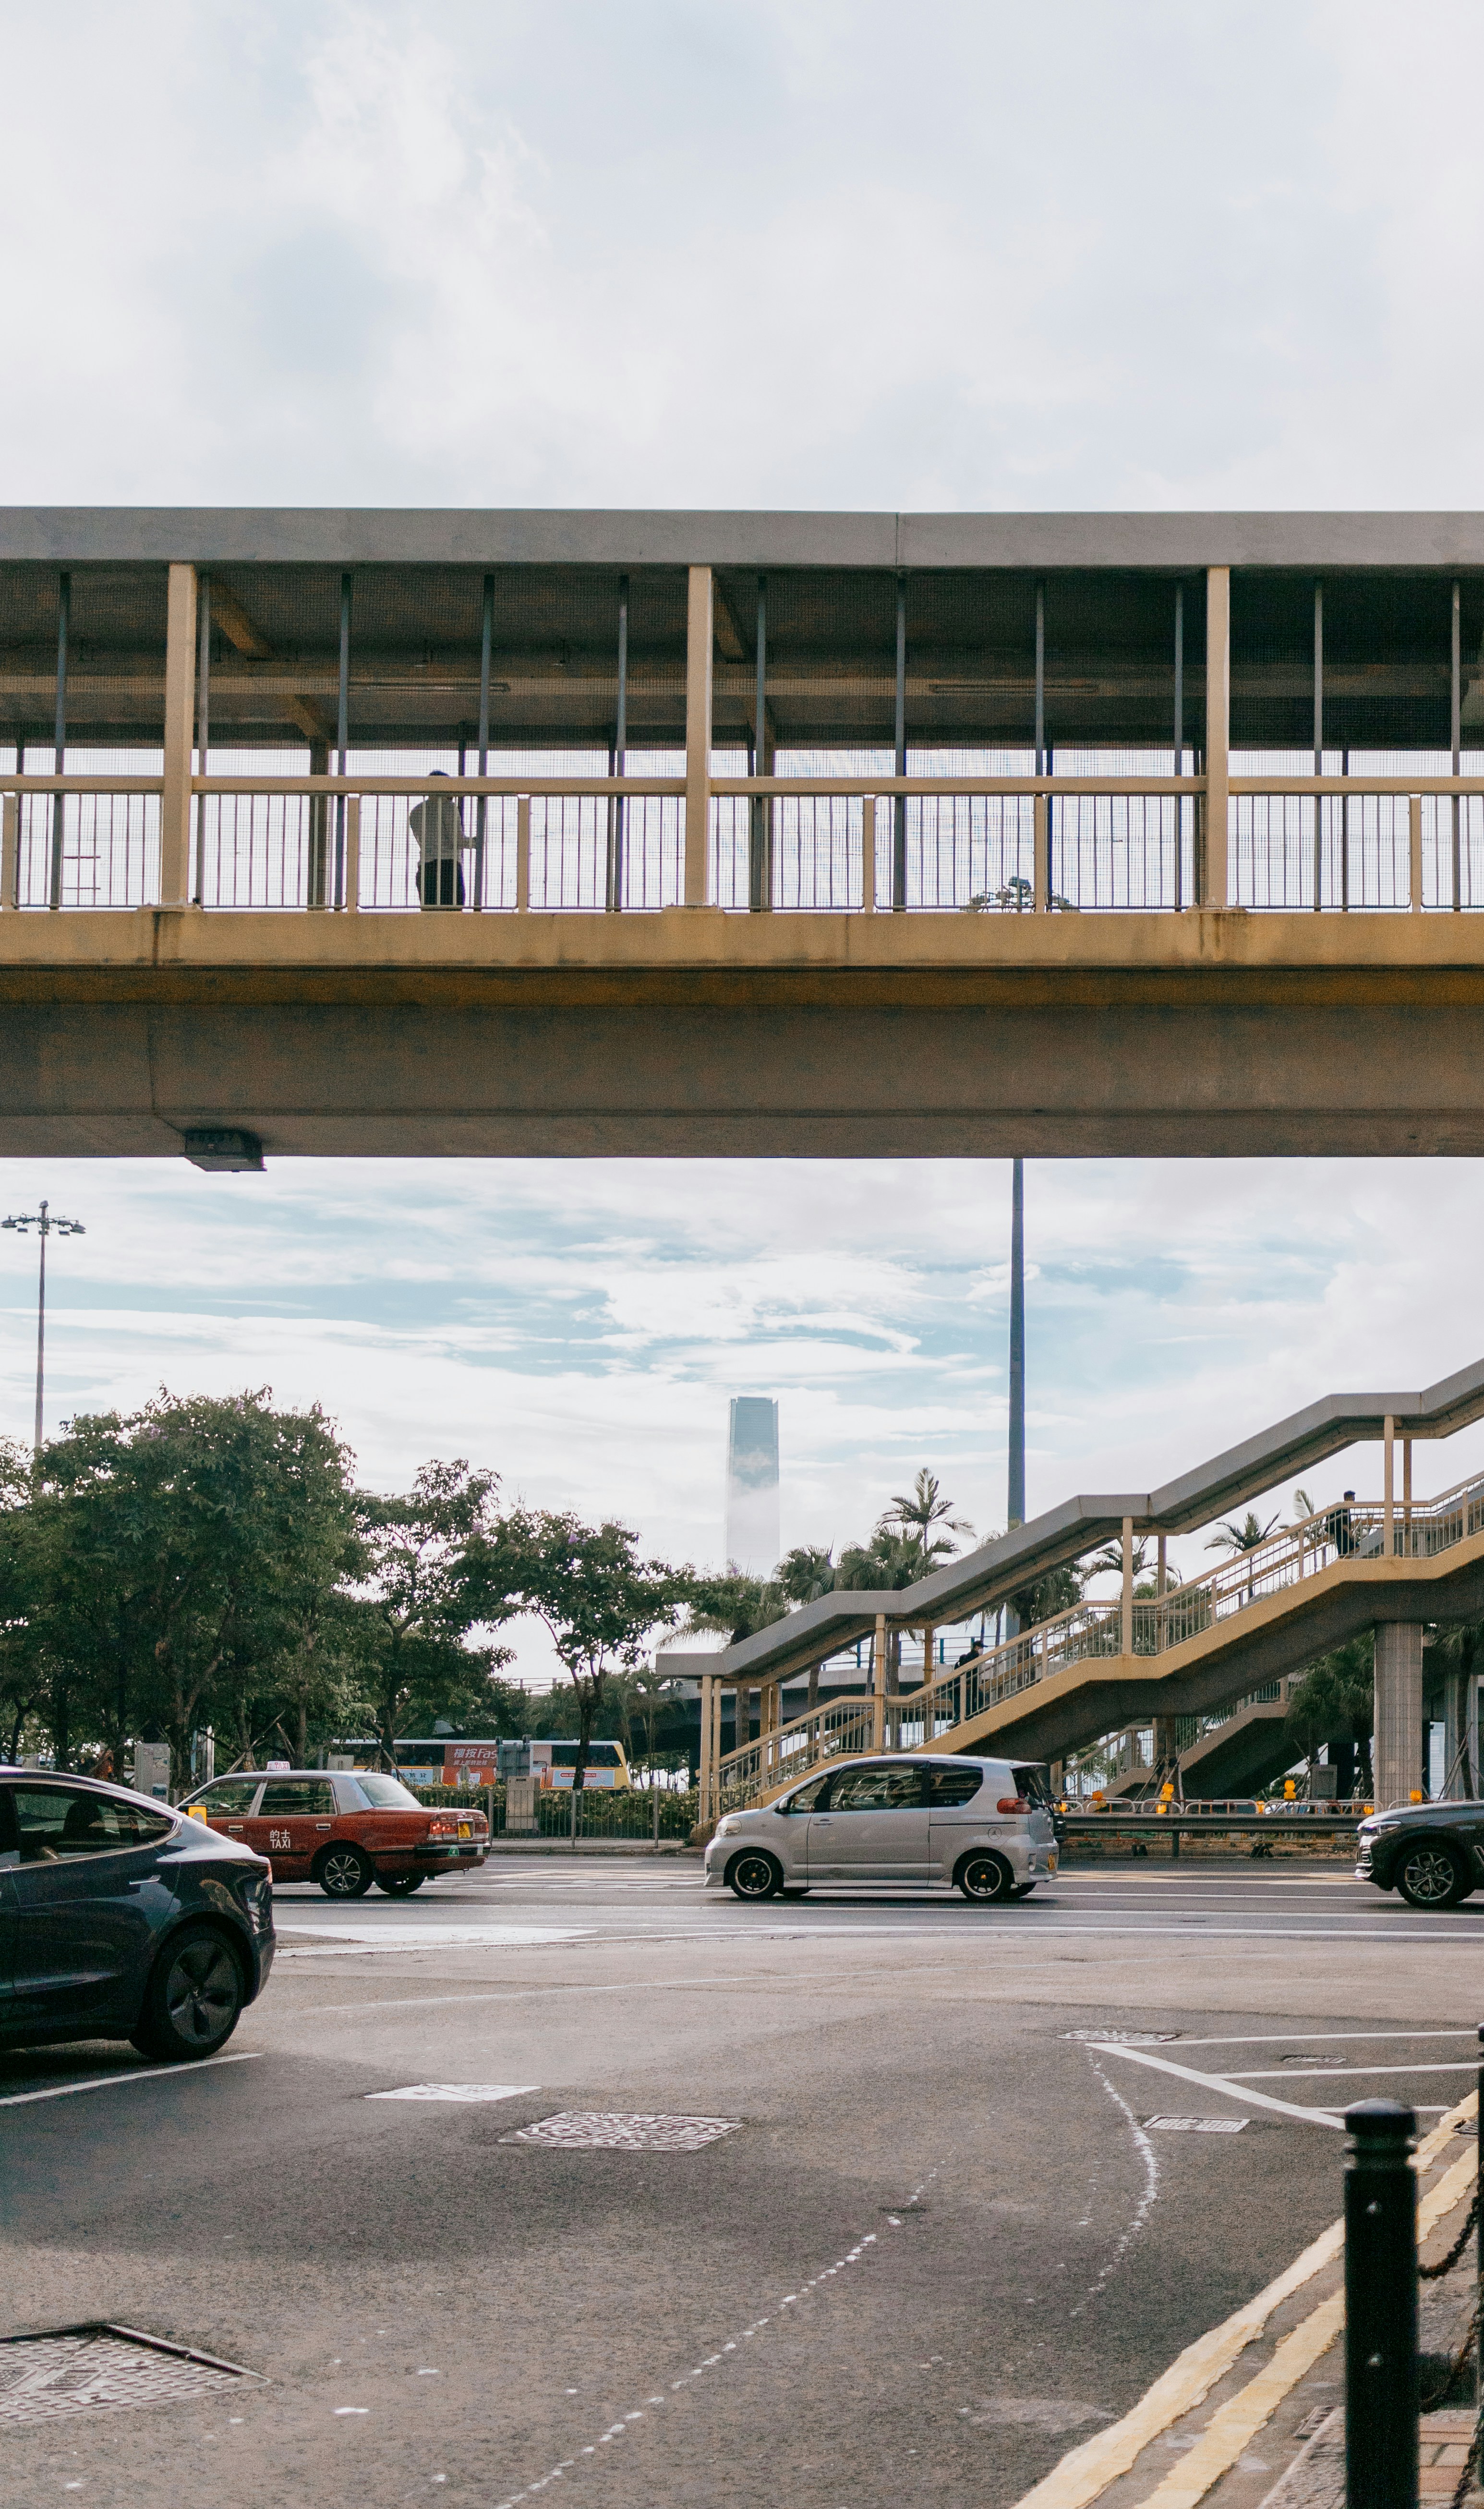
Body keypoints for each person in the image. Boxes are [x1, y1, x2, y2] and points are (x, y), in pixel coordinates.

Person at [409, 769, 466, 908]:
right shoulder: (449, 808)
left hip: (426, 868)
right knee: (453, 917)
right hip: (448, 868)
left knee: (431, 918)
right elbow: (457, 841)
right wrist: (476, 842)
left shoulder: (416, 812)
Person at [1325, 1490, 1356, 1557]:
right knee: (1347, 1551)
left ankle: (1344, 1561)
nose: (1354, 1501)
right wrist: (1349, 1532)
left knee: (1351, 1550)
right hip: (1341, 1534)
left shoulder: (1346, 1509)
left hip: (1343, 1534)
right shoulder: (1342, 1509)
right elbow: (1342, 1524)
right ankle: (1343, 1561)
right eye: (1352, 1499)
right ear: (1348, 1499)